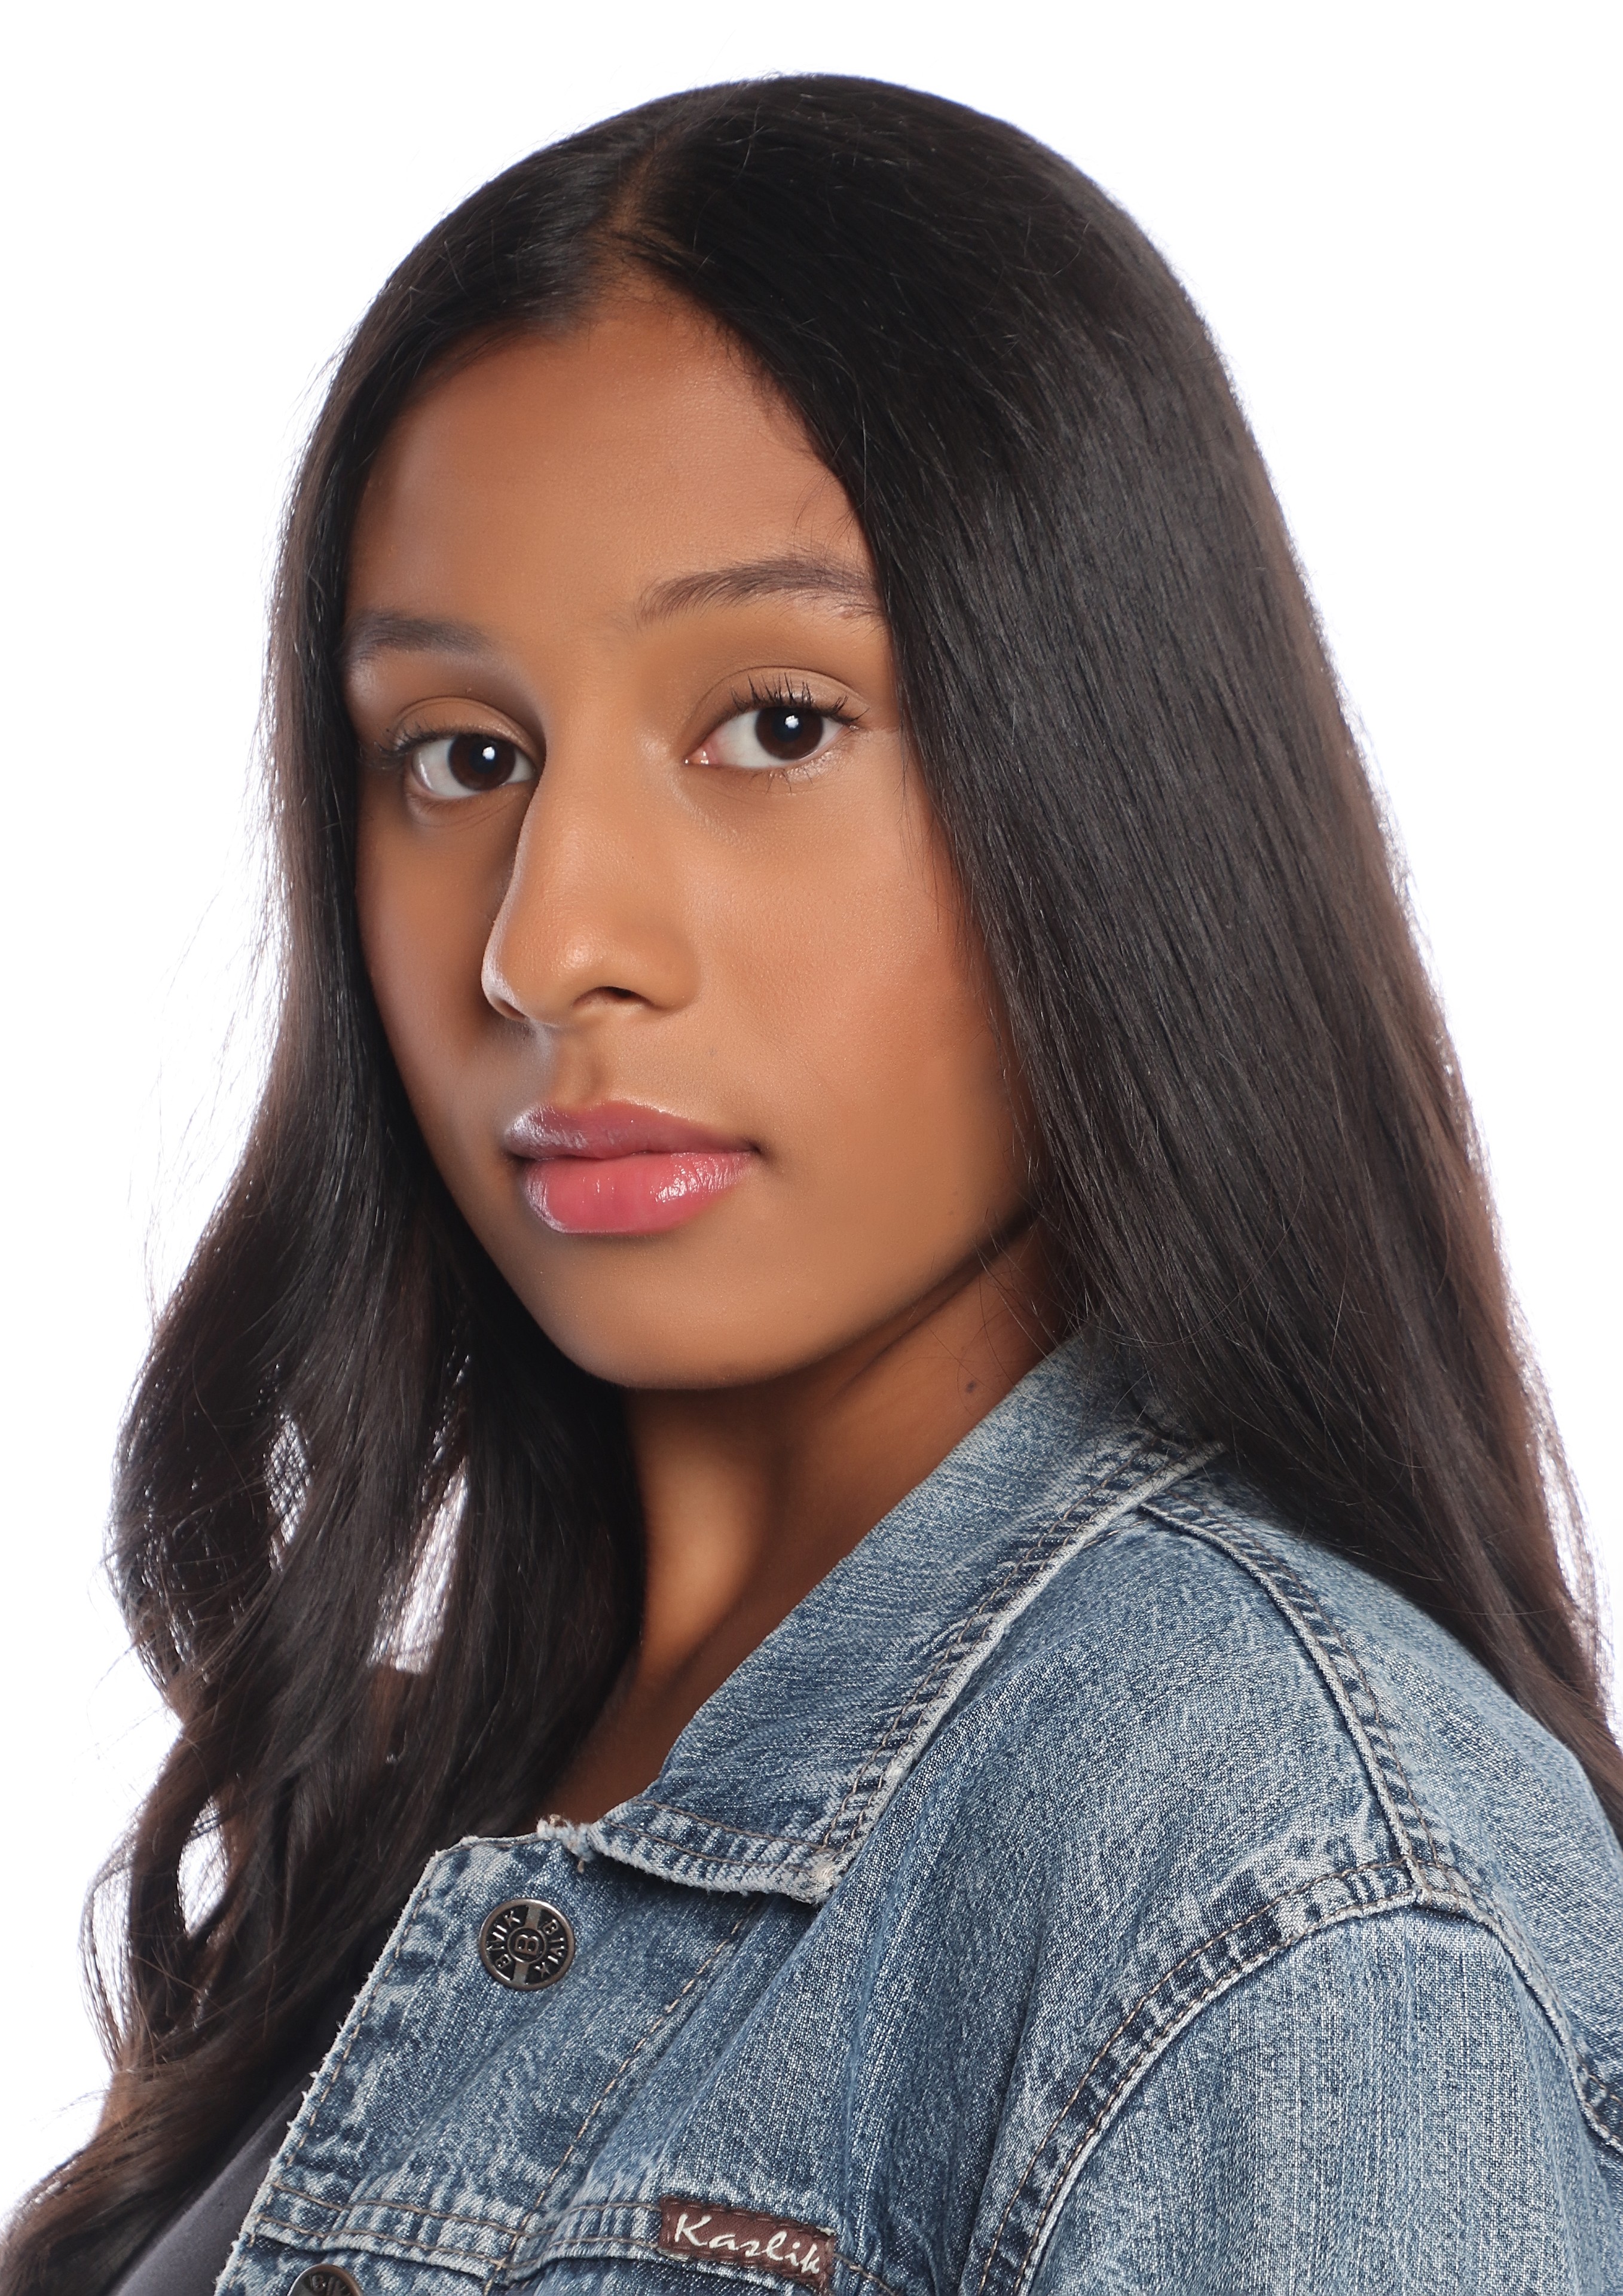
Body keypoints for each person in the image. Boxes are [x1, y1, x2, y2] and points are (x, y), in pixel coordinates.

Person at [6, 72, 1621, 2296]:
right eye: (461, 757)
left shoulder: (1291, 1896)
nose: (548, 941)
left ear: (1108, 775)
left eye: (773, 724)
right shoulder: (417, 1790)